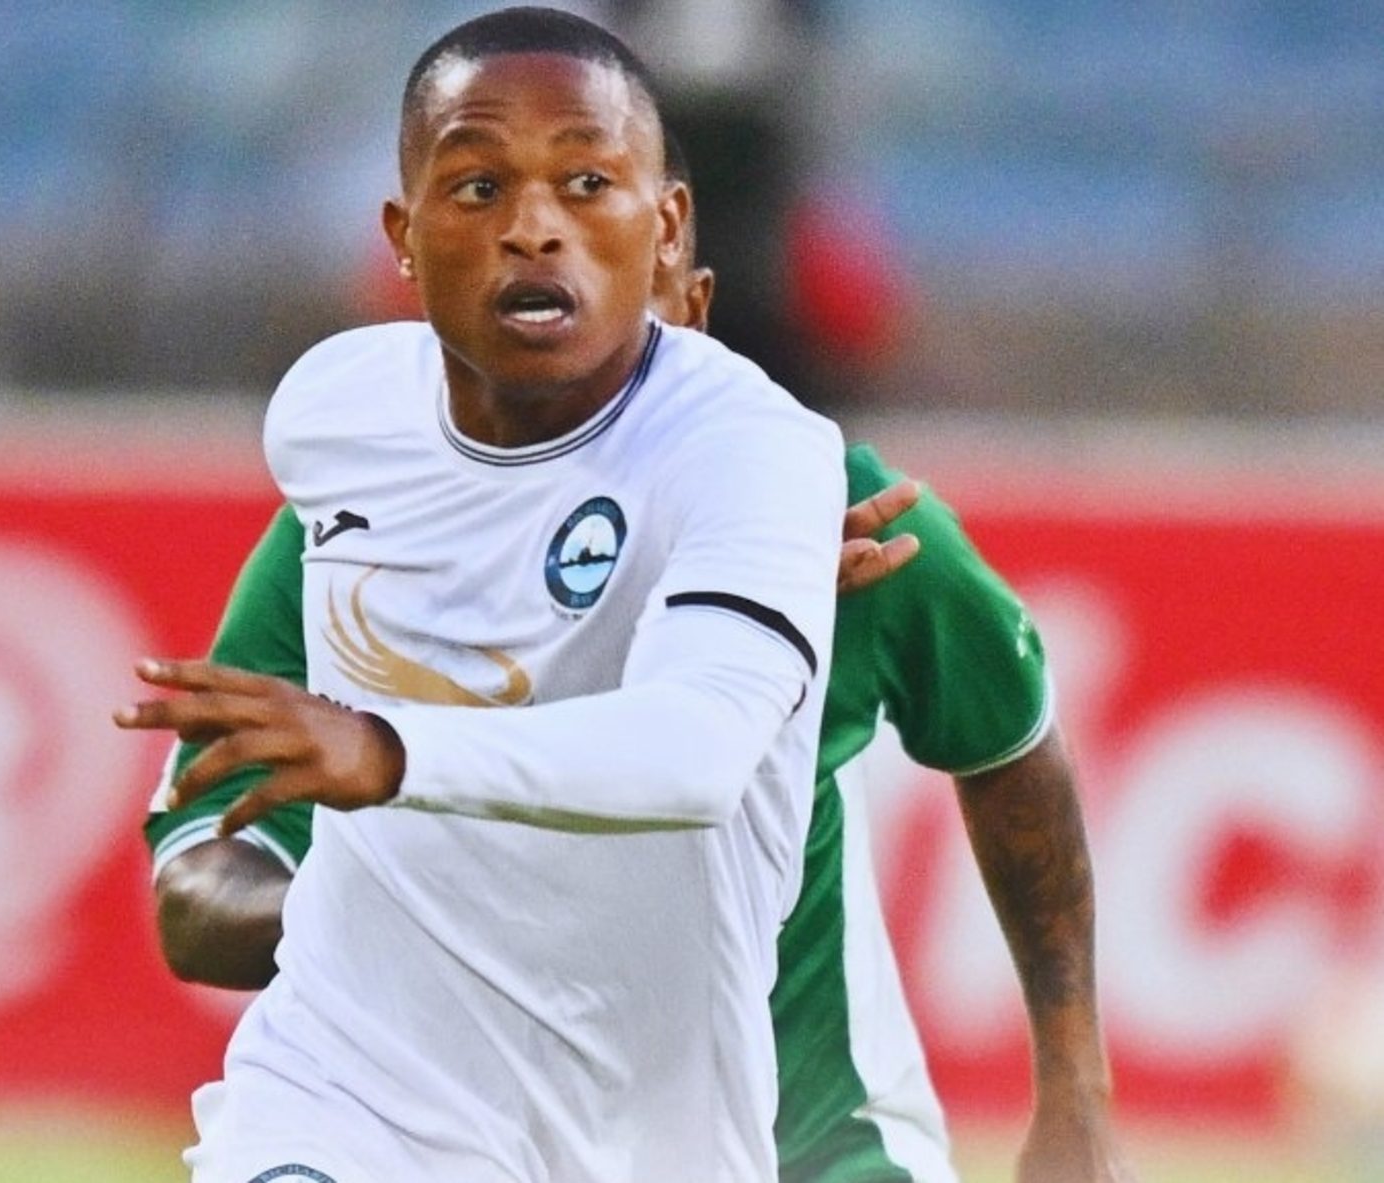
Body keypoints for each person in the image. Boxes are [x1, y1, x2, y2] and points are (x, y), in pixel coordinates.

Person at [144, 120, 1132, 1183]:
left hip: (808, 1139)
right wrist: (411, 922)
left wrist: (1075, 1091)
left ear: (688, 307)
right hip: (444, 1131)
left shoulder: (842, 527)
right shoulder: (356, 537)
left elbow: (1009, 741)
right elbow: (197, 889)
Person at [116, 8, 847, 1179]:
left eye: (587, 183)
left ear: (667, 230)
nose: (532, 227)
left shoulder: (751, 452)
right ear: (403, 237)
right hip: (342, 1105)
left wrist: (393, 757)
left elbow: (699, 751)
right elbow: (201, 871)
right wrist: (363, 916)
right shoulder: (336, 419)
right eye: (476, 188)